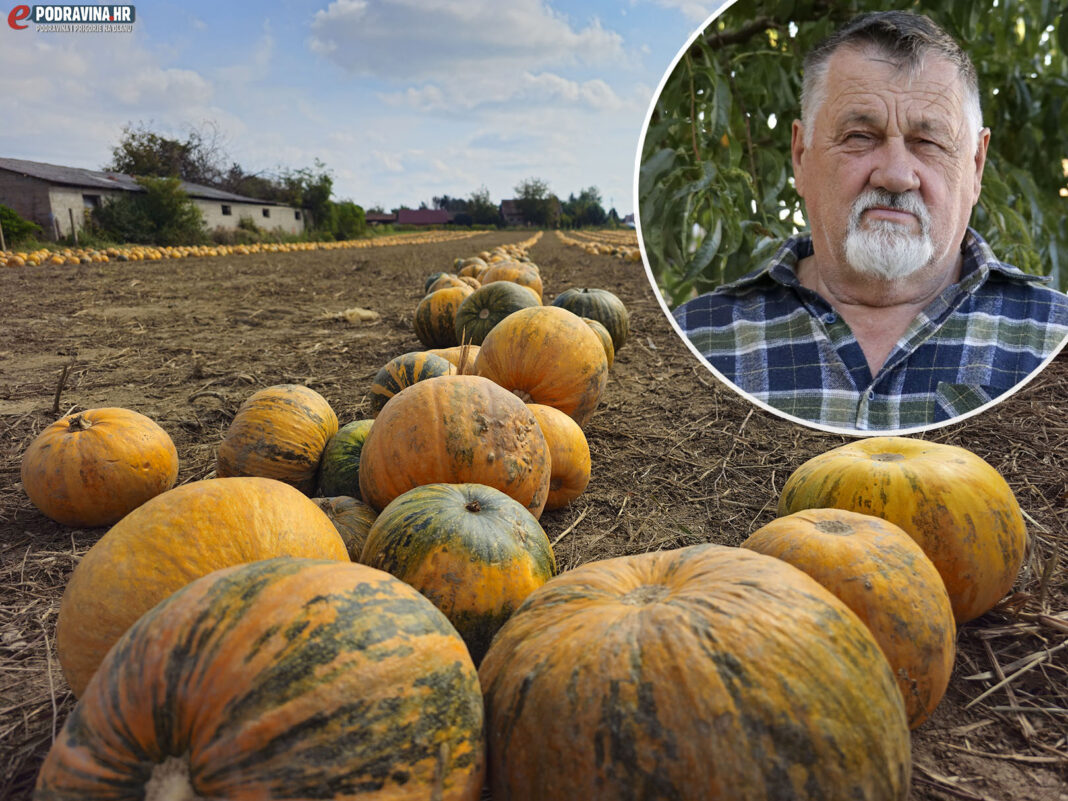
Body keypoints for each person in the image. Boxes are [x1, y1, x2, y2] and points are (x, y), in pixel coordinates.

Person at [672, 10, 1068, 431]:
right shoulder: (697, 339)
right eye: (860, 137)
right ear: (801, 156)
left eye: (928, 142)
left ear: (975, 166)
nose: (896, 175)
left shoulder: (1053, 341)